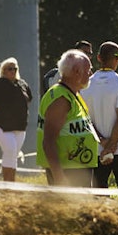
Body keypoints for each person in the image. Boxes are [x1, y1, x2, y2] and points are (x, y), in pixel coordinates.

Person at [81, 42, 118, 189]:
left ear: (98, 58)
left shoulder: (85, 84)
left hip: (97, 147)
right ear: (117, 59)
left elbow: (86, 119)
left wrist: (103, 142)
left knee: (99, 196)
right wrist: (112, 145)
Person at [37, 49, 97, 187]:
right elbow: (48, 142)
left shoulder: (72, 94)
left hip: (76, 169)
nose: (90, 74)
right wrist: (59, 178)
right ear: (77, 71)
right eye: (88, 70)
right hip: (69, 172)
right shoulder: (61, 99)